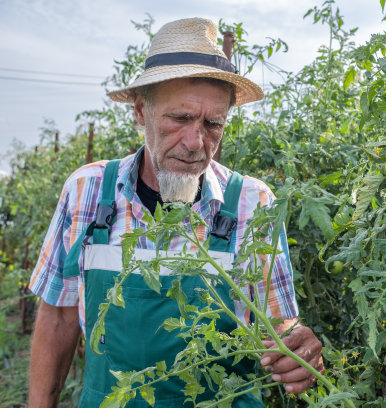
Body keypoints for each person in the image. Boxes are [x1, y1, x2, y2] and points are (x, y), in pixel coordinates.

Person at [28, 17, 323, 407]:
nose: (195, 142)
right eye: (180, 119)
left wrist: (299, 349)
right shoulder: (88, 191)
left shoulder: (252, 202)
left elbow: (280, 322)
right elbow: (58, 318)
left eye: (213, 124)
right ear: (140, 112)